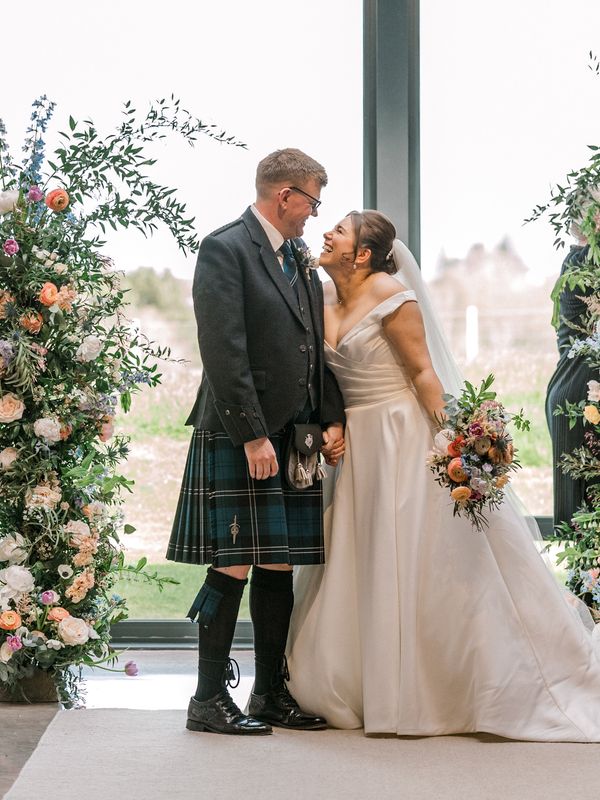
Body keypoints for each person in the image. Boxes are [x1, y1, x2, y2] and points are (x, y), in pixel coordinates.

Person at [287, 209, 600, 741]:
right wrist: (331, 424)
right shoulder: (319, 297)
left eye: (338, 230)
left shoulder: (392, 295)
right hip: (358, 447)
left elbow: (424, 374)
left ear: (362, 254)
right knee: (362, 551)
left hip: (403, 437)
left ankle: (440, 682)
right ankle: (363, 679)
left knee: (416, 551)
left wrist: (457, 443)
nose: (327, 234)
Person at [167, 149, 346, 735]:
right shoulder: (225, 248)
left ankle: (269, 693)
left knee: (278, 562)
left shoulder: (296, 256)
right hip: (242, 430)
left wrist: (326, 418)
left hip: (293, 434)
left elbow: (312, 349)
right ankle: (207, 700)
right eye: (312, 202)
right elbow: (223, 350)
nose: (313, 216)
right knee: (233, 563)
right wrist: (250, 436)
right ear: (284, 195)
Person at [545, 231, 597, 530]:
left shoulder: (573, 263)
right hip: (585, 392)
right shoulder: (586, 262)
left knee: (582, 514)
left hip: (568, 384)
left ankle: (584, 575)